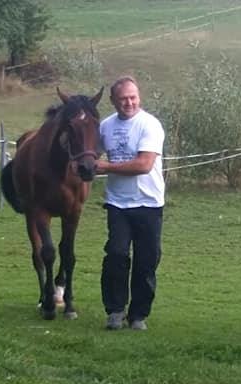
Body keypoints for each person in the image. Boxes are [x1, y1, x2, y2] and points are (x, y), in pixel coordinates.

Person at [96, 75, 165, 331]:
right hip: (118, 204)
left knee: (146, 260)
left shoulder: (150, 125)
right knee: (116, 254)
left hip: (149, 203)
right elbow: (88, 154)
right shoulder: (105, 126)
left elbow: (144, 165)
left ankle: (138, 316)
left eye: (133, 97)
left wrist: (105, 167)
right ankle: (115, 311)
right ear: (113, 100)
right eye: (123, 98)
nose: (129, 103)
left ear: (139, 97)